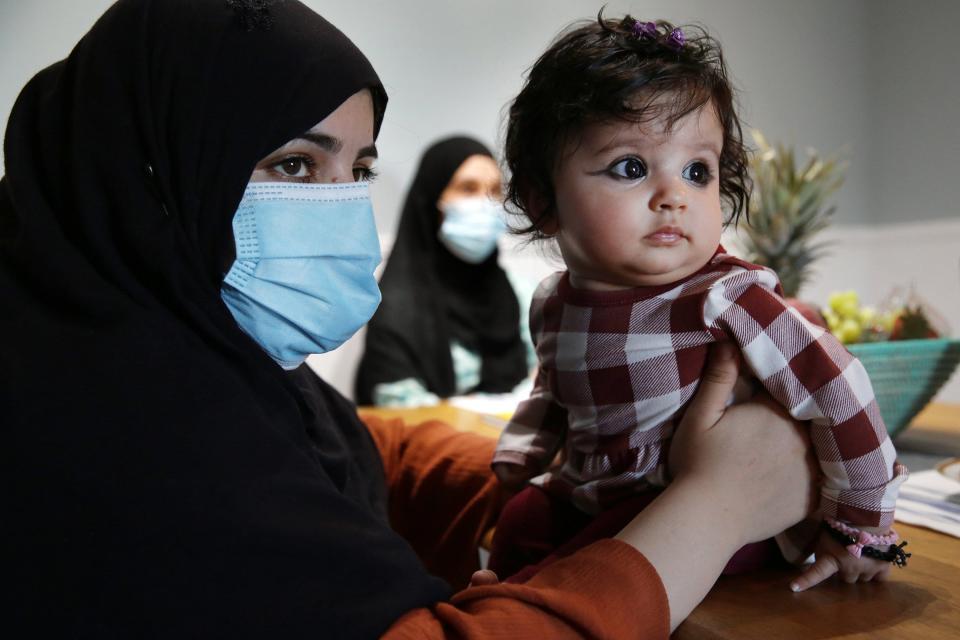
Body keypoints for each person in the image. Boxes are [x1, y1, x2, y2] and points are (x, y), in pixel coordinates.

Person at [3, 0, 816, 636]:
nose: (343, 208)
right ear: (148, 175)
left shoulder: (179, 362)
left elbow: (363, 451)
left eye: (357, 168)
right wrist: (719, 505)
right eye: (293, 164)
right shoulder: (128, 436)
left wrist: (569, 487)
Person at [489, 14, 908, 592]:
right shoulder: (553, 303)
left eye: (697, 171)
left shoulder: (726, 299)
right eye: (630, 167)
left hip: (692, 506)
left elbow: (840, 391)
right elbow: (554, 390)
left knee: (583, 568)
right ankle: (494, 605)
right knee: (517, 521)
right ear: (544, 201)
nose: (674, 196)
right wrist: (520, 456)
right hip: (590, 487)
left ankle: (525, 603)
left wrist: (862, 526)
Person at [355, 136, 530, 407]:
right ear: (432, 198)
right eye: (468, 188)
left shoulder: (518, 294)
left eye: (494, 190)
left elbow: (544, 379)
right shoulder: (395, 305)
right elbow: (398, 411)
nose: (486, 204)